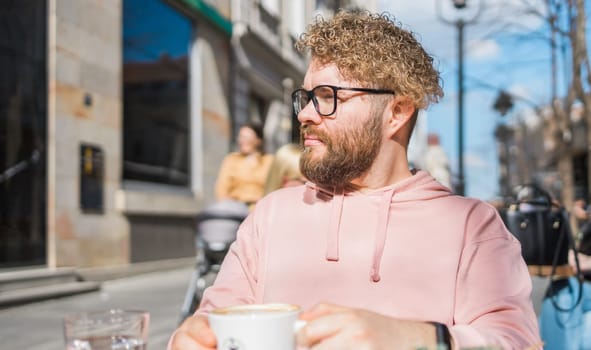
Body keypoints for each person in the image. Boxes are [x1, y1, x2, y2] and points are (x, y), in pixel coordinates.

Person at [169, 10, 540, 350]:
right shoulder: (270, 215)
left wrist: (419, 338)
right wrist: (190, 338)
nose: (305, 115)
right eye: (306, 97)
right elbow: (214, 318)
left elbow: (516, 340)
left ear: (396, 111)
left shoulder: (469, 225)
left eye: (328, 96)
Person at [214, 123, 273, 210]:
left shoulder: (269, 161)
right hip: (235, 208)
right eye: (240, 137)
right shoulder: (232, 159)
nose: (242, 141)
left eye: (246, 138)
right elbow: (221, 188)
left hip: (262, 208)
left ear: (258, 140)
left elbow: (274, 185)